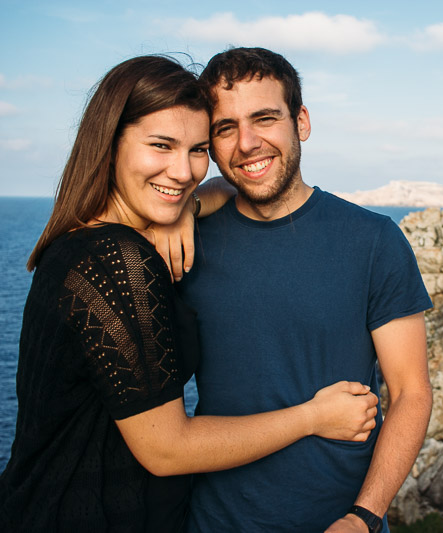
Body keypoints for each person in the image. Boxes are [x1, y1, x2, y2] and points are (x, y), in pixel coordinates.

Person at [0, 55, 378, 533]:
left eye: (198, 149)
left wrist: (187, 208)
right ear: (110, 142)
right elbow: (167, 448)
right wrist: (314, 416)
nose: (182, 172)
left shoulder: (81, 243)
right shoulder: (119, 262)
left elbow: (221, 184)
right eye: (161, 145)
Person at [170, 47, 434, 532]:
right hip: (214, 521)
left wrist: (364, 516)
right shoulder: (186, 242)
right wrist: (184, 208)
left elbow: (410, 392)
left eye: (265, 118)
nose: (247, 143)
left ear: (302, 122)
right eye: (225, 128)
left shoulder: (373, 240)